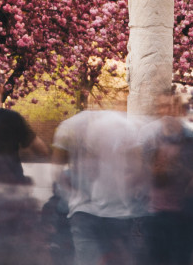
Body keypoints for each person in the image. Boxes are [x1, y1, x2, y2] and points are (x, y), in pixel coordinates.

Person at [52, 107, 147, 265]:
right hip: (119, 211)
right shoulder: (125, 126)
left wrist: (71, 194)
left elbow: (56, 170)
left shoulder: (68, 126)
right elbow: (138, 169)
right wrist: (123, 188)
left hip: (82, 211)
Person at [139, 91, 193, 265]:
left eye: (171, 106)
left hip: (185, 215)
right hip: (154, 214)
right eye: (162, 106)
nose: (167, 111)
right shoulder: (149, 136)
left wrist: (178, 169)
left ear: (178, 109)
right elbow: (141, 172)